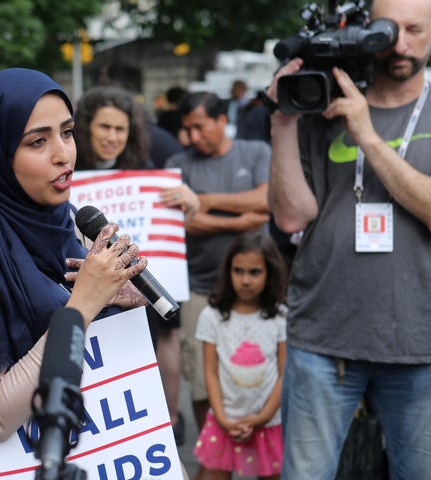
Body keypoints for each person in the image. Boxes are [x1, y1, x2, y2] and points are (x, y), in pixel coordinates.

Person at [0, 68, 149, 443]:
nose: (63, 154)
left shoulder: (71, 220)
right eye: (37, 142)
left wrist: (124, 302)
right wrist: (82, 307)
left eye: (68, 132)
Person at [266, 0, 431, 477]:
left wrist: (369, 136)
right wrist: (282, 122)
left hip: (420, 344)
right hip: (324, 338)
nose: (399, 44)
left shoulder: (356, 116)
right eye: (386, 29)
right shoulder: (324, 105)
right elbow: (292, 216)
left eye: (414, 30)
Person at [73, 84, 199, 449]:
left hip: (139, 300)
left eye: (120, 129)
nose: (113, 137)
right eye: (104, 127)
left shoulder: (146, 174)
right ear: (85, 128)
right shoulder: (67, 174)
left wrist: (190, 205)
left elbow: (169, 231)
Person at [164, 90, 270, 480]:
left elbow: (267, 199)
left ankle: (250, 451)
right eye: (186, 128)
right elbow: (182, 221)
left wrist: (203, 201)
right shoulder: (178, 162)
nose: (191, 137)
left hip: (256, 293)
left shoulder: (255, 152)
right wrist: (240, 220)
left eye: (199, 126)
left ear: (222, 120)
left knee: (256, 373)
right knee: (202, 385)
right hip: (199, 289)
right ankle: (214, 454)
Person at [193, 232, 286, 480]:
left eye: (255, 272)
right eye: (238, 271)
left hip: (268, 422)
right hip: (224, 421)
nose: (245, 280)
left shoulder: (280, 318)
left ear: (270, 273)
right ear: (228, 271)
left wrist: (262, 417)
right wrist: (222, 418)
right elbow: (210, 372)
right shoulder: (212, 316)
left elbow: (285, 373)